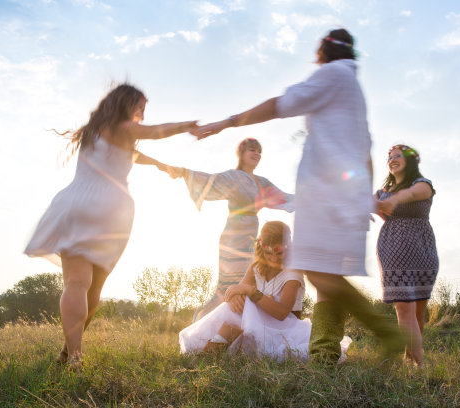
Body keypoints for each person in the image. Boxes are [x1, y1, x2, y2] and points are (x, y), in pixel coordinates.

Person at [192, 28, 405, 363]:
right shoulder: (353, 88)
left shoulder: (332, 76)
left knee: (318, 273)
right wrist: (365, 197)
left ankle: (387, 332)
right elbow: (366, 148)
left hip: (325, 193)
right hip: (344, 194)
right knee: (327, 277)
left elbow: (280, 104)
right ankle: (324, 353)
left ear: (323, 53)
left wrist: (229, 122)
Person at [24, 83, 197, 368]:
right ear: (126, 104)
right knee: (91, 289)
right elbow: (154, 132)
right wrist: (185, 126)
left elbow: (133, 153)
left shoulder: (96, 130)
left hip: (79, 205)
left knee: (78, 285)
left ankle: (71, 354)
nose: (142, 113)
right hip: (112, 212)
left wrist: (157, 164)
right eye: (140, 107)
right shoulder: (123, 127)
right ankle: (71, 354)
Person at [157, 138, 293, 322]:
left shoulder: (262, 182)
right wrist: (184, 172)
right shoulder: (233, 176)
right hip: (233, 235)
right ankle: (201, 323)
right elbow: (209, 181)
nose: (256, 154)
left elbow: (284, 197)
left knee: (249, 281)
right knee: (227, 286)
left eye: (259, 151)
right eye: (252, 150)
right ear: (241, 153)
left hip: (253, 237)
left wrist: (313, 197)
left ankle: (237, 329)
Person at [179, 221, 350, 361]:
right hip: (255, 325)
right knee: (235, 307)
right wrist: (234, 294)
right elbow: (237, 294)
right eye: (269, 254)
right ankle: (210, 351)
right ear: (262, 248)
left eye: (279, 253)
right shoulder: (256, 268)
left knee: (250, 303)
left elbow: (282, 312)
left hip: (285, 329)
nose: (274, 259)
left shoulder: (293, 271)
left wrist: (250, 292)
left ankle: (211, 350)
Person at [373, 145, 439, 367]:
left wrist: (395, 200)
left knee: (418, 310)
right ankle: (420, 365)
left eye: (397, 156)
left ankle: (410, 356)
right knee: (404, 307)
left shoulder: (422, 184)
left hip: (422, 250)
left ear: (410, 161)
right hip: (394, 248)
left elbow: (411, 194)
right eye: (389, 157)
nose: (391, 159)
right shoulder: (382, 192)